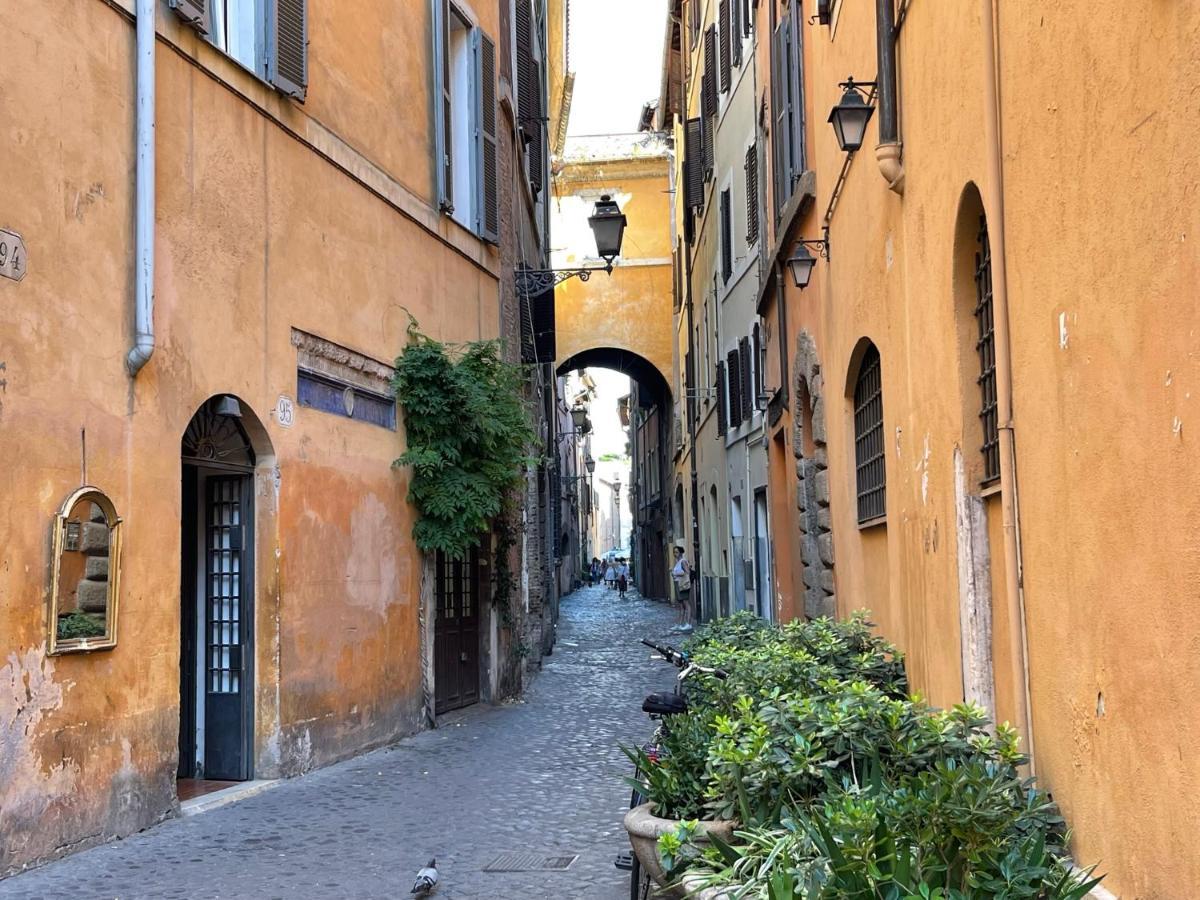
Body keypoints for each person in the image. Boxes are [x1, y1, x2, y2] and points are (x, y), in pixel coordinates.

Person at [670, 545, 693, 631]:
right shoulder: (678, 562)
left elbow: (687, 572)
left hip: (683, 585)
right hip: (678, 584)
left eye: (676, 552)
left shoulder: (683, 561)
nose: (675, 554)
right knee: (680, 605)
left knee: (686, 604)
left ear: (680, 552)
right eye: (674, 552)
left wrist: (676, 573)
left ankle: (688, 623)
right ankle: (679, 623)